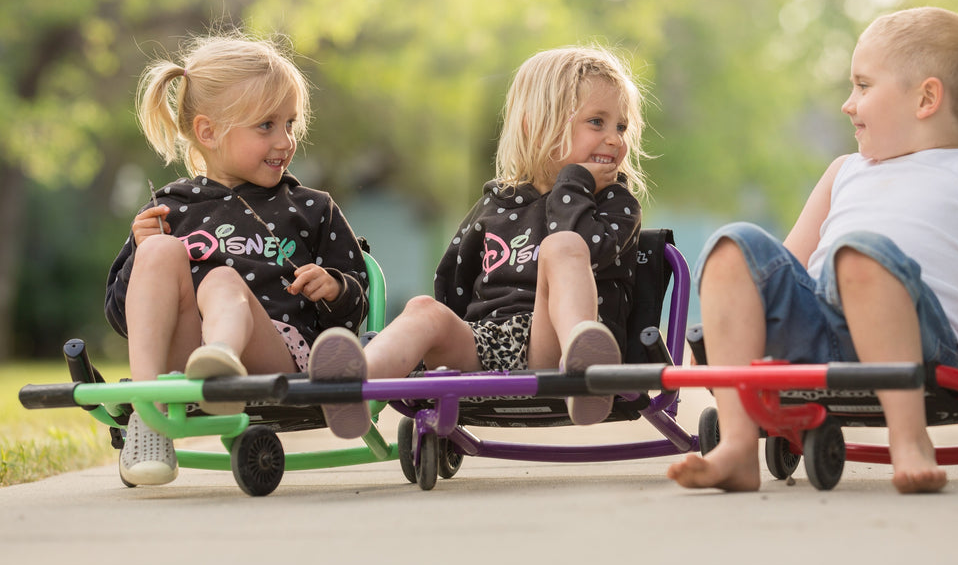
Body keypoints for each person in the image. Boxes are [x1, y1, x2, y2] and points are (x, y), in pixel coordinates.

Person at [667, 7, 958, 494]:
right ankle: (738, 447)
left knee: (859, 253)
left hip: (920, 346)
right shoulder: (844, 170)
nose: (848, 105)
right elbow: (782, 268)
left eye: (864, 87)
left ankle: (909, 439)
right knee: (731, 247)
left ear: (927, 98)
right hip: (819, 335)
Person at [305, 44, 649, 438]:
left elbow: (597, 250)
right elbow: (454, 279)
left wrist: (574, 184)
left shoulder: (615, 203)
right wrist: (440, 336)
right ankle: (352, 388)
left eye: (621, 127)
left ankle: (586, 374)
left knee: (563, 246)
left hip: (552, 348)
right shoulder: (497, 205)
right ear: (537, 125)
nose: (614, 140)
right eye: (597, 123)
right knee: (423, 308)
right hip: (488, 344)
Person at [105, 32, 370, 486]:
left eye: (290, 123)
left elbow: (358, 303)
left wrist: (336, 287)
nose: (285, 140)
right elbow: (121, 314)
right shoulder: (173, 208)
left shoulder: (309, 207)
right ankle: (150, 415)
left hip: (277, 353)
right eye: (266, 126)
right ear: (208, 132)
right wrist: (141, 252)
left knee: (221, 283)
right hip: (188, 354)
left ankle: (221, 360)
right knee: (162, 251)